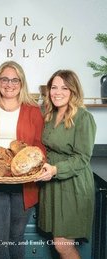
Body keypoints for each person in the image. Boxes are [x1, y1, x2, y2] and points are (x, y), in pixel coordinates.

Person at [0, 60, 46, 259]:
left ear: (22, 83)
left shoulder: (32, 109)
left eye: (15, 80)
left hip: (24, 182)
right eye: (4, 79)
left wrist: (38, 165)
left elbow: (39, 144)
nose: (9, 84)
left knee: (16, 238)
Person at [37, 69, 96, 259]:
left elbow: (82, 157)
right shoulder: (50, 115)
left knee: (62, 244)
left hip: (73, 184)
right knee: (58, 242)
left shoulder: (83, 118)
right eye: (54, 87)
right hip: (52, 185)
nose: (57, 92)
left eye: (64, 87)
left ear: (73, 91)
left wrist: (55, 169)